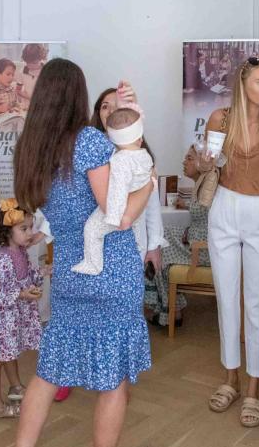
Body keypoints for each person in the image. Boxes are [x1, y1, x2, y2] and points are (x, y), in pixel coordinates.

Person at [0, 59, 151, 447]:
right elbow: (115, 213)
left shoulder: (30, 148)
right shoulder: (86, 141)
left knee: (47, 374)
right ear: (77, 97)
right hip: (112, 270)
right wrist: (148, 188)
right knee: (113, 383)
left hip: (67, 269)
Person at [201, 56, 259, 428]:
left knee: (258, 302)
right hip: (223, 207)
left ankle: (254, 386)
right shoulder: (220, 119)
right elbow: (204, 167)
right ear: (243, 85)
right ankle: (230, 378)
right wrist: (199, 162)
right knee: (227, 297)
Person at [0, 200, 46, 418]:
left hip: (11, 317)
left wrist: (44, 272)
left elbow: (26, 276)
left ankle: (16, 387)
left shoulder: (21, 252)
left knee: (10, 352)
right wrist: (22, 294)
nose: (29, 233)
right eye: (23, 229)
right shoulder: (3, 259)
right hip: (0, 319)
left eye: (30, 227)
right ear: (8, 231)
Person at [91, 86, 166, 273]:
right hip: (100, 237)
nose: (110, 111)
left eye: (117, 106)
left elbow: (152, 203)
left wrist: (153, 245)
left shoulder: (138, 153)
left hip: (133, 236)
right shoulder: (89, 150)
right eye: (105, 106)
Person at [73, 105, 153, 275]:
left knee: (92, 229)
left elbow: (118, 188)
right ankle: (138, 250)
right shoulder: (144, 155)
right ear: (139, 138)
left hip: (120, 208)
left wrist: (113, 217)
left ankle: (93, 265)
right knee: (137, 229)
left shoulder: (120, 161)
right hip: (139, 202)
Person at [143, 146, 209, 327]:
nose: (184, 161)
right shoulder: (203, 184)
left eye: (189, 158)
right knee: (159, 240)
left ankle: (167, 310)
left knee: (159, 244)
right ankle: (169, 307)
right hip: (195, 241)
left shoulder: (209, 187)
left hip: (203, 249)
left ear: (202, 162)